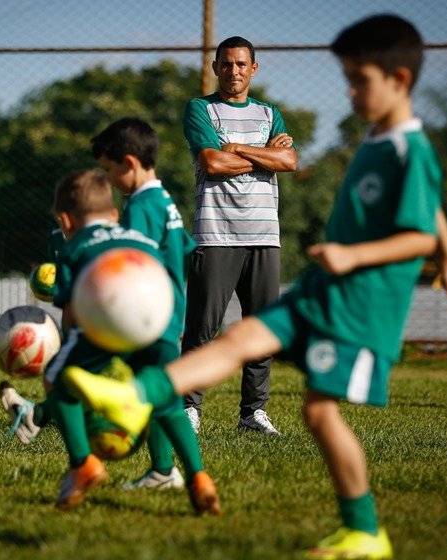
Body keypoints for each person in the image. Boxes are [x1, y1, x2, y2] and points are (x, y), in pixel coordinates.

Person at [64, 14, 447, 559]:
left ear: (399, 80)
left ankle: (364, 530)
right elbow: (428, 212)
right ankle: (136, 398)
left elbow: (418, 231)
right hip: (320, 281)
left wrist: (371, 253)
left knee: (318, 410)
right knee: (235, 338)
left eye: (359, 81)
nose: (350, 92)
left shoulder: (408, 149)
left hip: (361, 300)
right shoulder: (380, 137)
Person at [0, 169, 220, 514]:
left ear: (66, 220)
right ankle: (199, 477)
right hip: (157, 318)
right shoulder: (138, 237)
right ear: (115, 214)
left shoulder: (73, 250)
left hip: (109, 320)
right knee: (166, 399)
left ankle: (82, 464)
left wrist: (74, 355)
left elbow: (73, 317)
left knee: (58, 378)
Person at [180, 35, 298, 435]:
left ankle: (253, 413)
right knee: (202, 329)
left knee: (262, 328)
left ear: (254, 69)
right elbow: (212, 162)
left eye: (241, 64)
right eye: (226, 64)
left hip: (265, 236)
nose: (233, 71)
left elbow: (289, 160)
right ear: (215, 67)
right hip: (215, 235)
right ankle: (188, 407)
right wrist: (262, 155)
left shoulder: (269, 113)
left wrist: (239, 149)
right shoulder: (200, 109)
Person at [91, 117, 207, 491]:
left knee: (163, 400)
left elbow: (131, 260)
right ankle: (163, 470)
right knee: (157, 395)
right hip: (167, 312)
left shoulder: (140, 206)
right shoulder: (164, 200)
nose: (109, 181)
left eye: (109, 172)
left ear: (128, 162)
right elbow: (185, 247)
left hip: (148, 317)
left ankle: (184, 474)